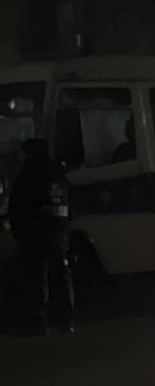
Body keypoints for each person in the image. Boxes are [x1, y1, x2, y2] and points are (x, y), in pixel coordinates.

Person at [8, 138, 75, 335]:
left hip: (37, 232)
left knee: (36, 277)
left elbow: (19, 205)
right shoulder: (59, 173)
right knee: (62, 275)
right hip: (59, 232)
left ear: (30, 154)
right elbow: (70, 204)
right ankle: (66, 320)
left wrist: (18, 232)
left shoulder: (29, 173)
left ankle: (38, 323)